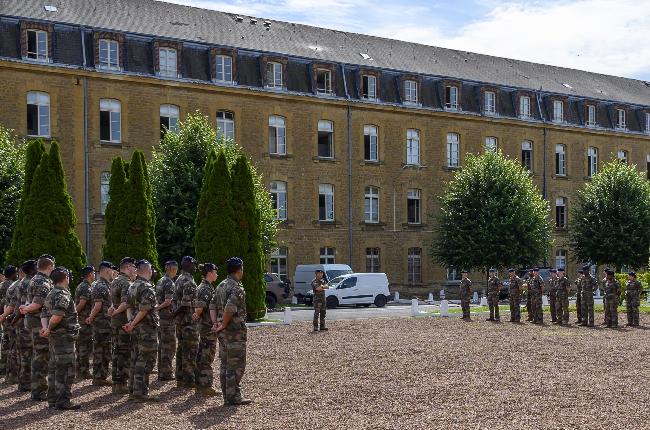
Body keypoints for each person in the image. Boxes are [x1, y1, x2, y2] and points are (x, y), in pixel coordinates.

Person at [212, 257, 251, 405]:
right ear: (239, 270)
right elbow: (230, 307)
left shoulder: (221, 285)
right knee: (236, 364)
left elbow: (212, 305)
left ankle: (227, 395)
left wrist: (216, 322)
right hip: (233, 331)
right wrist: (222, 323)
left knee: (225, 363)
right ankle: (233, 396)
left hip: (223, 332)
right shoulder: (236, 287)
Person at [41, 266, 81, 410]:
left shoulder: (50, 294)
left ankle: (52, 399)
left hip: (54, 337)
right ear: (65, 279)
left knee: (54, 368)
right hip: (63, 338)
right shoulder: (63, 294)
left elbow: (44, 314)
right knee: (65, 369)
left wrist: (46, 328)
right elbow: (57, 316)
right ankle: (63, 401)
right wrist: (49, 328)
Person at [123, 260, 160, 403]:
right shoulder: (146, 288)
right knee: (146, 360)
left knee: (136, 358)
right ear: (149, 271)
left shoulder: (132, 286)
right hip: (145, 329)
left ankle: (133, 391)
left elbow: (129, 307)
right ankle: (140, 392)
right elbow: (144, 311)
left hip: (136, 328)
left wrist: (130, 322)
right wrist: (132, 323)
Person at [20, 254, 55, 401]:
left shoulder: (34, 279)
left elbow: (29, 302)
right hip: (39, 324)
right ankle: (39, 390)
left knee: (38, 354)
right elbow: (38, 304)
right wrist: (27, 309)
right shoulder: (43, 282)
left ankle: (38, 388)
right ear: (49, 266)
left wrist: (25, 308)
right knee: (41, 356)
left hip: (34, 322)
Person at [170, 256, 199, 388]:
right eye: (194, 266)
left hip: (180, 321)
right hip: (188, 320)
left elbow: (174, 300)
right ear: (188, 266)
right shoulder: (189, 282)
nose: (195, 268)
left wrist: (175, 313)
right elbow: (186, 303)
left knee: (182, 348)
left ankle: (180, 377)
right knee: (190, 350)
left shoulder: (178, 279)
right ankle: (189, 379)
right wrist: (175, 312)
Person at [109, 257, 136, 394]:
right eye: (133, 267)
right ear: (127, 267)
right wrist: (115, 312)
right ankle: (121, 382)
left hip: (116, 322)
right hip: (122, 321)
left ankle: (116, 381)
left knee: (117, 350)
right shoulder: (126, 282)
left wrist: (113, 312)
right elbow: (125, 304)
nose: (135, 270)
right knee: (124, 352)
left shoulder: (115, 281)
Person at [193, 263, 221, 396]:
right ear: (210, 273)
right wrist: (197, 314)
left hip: (204, 325)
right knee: (207, 354)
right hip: (207, 326)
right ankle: (206, 385)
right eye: (215, 272)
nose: (217, 274)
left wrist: (197, 314)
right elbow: (200, 306)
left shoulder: (204, 287)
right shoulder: (206, 288)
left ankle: (199, 383)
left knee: (202, 353)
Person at [86, 261, 113, 386]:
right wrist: (91, 317)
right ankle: (99, 377)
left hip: (105, 323)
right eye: (112, 271)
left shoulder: (105, 285)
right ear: (108, 271)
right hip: (101, 323)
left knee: (104, 351)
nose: (113, 273)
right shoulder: (101, 286)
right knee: (101, 351)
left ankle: (101, 376)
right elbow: (97, 306)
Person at [155, 260, 178, 381]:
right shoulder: (169, 283)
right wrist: (159, 307)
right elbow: (168, 301)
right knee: (169, 346)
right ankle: (166, 372)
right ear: (173, 270)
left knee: (162, 346)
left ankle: (162, 371)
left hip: (161, 318)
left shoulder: (160, 280)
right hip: (167, 318)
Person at [74, 265, 95, 379]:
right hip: (84, 321)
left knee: (83, 346)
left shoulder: (83, 286)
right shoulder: (86, 287)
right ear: (90, 274)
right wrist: (73, 315)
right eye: (94, 273)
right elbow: (81, 304)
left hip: (83, 321)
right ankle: (83, 371)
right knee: (84, 347)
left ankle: (81, 369)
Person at [0, 266, 19, 383]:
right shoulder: (10, 285)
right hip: (8, 315)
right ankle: (6, 368)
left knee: (5, 342)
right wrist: (3, 316)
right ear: (12, 274)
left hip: (5, 314)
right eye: (16, 273)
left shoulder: (4, 284)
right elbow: (3, 303)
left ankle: (3, 366)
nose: (17, 275)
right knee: (9, 343)